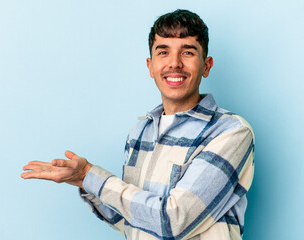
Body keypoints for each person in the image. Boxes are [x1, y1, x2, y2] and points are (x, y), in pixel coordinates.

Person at [21, 9, 255, 240]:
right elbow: (131, 220)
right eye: (163, 52)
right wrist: (84, 181)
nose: (174, 63)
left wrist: (90, 175)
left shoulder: (230, 132)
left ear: (206, 65)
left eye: (188, 52)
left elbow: (173, 222)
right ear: (150, 66)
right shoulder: (141, 131)